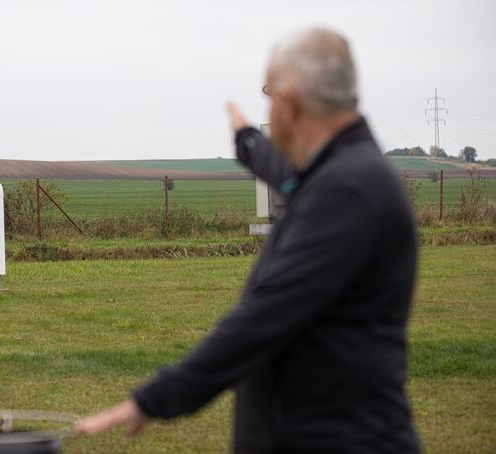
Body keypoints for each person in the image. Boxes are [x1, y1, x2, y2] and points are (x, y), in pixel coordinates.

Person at [75, 27, 420, 453]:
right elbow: (285, 173)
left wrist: (155, 399)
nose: (268, 111)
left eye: (270, 97)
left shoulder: (346, 191)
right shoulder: (340, 172)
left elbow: (263, 318)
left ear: (290, 104)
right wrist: (246, 139)